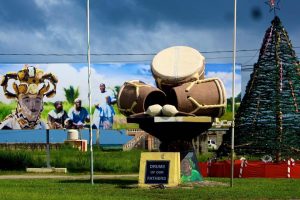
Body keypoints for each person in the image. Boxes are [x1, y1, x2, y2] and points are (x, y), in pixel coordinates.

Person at [0, 65, 57, 129]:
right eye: (26, 100)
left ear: (42, 104)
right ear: (19, 102)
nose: (33, 104)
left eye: (37, 100)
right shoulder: (7, 126)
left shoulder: (43, 126)